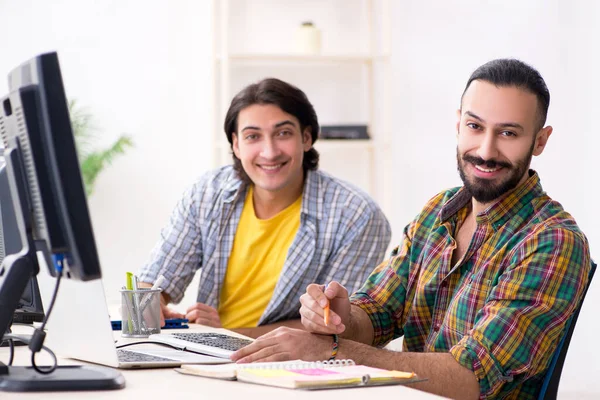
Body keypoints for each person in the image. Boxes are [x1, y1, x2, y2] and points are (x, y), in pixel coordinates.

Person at [231, 60, 592, 399]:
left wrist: (333, 351)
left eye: (508, 133)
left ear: (540, 141)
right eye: (475, 126)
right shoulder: (438, 212)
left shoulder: (553, 241)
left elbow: (472, 378)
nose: (485, 149)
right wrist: (344, 319)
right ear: (458, 124)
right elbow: (378, 309)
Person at [138, 78, 391, 338]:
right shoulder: (207, 193)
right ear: (236, 145)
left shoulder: (356, 215)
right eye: (253, 136)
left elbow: (335, 326)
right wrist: (151, 309)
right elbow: (154, 281)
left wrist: (224, 334)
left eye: (283, 133)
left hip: (294, 367)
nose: (269, 152)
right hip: (205, 355)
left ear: (306, 138)